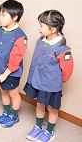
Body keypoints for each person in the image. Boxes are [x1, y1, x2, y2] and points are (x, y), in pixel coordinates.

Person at [23, 10, 73, 142]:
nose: (38, 29)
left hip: (51, 84)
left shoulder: (63, 49)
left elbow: (67, 71)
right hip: (37, 80)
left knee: (52, 108)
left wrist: (55, 81)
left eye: (41, 26)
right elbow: (35, 60)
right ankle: (38, 127)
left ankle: (49, 131)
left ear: (53, 29)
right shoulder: (40, 41)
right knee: (39, 104)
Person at [0, 0, 27, 128]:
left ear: (15, 17)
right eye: (0, 14)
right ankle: (6, 112)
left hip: (10, 73)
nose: (0, 18)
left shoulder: (20, 36)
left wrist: (5, 74)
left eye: (4, 15)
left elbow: (16, 58)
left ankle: (14, 115)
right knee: (3, 92)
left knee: (13, 94)